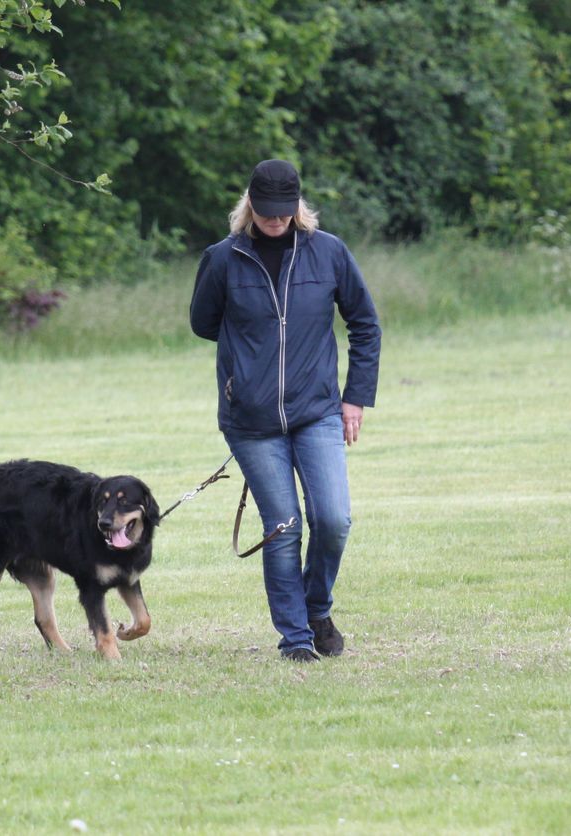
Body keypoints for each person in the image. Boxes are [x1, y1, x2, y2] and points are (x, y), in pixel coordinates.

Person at [189, 159, 381, 662]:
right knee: (283, 527)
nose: (275, 220)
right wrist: (246, 364)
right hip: (250, 422)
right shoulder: (223, 259)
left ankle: (316, 609)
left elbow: (365, 324)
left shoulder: (329, 253)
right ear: (250, 205)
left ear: (297, 206)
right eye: (266, 211)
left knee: (333, 520)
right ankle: (295, 639)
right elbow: (203, 323)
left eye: (283, 211)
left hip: (317, 410)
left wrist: (355, 396)